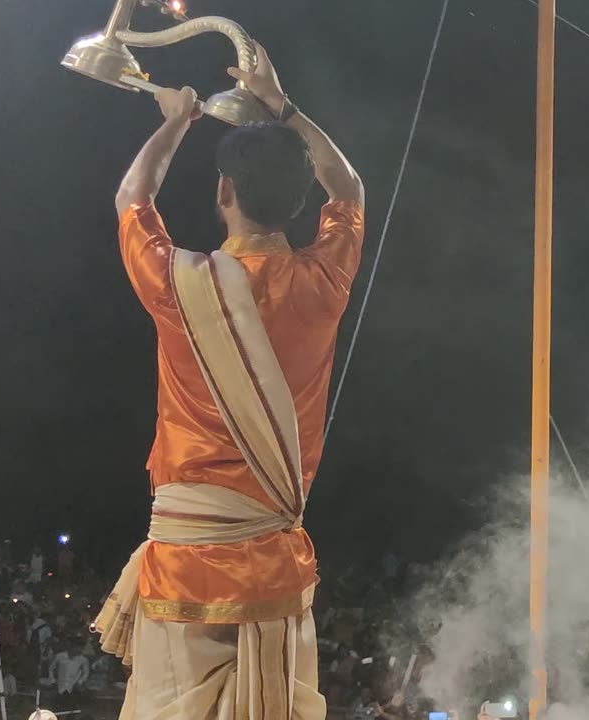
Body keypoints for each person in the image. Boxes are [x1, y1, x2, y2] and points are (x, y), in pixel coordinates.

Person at [91, 43, 365, 720]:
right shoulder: (323, 282)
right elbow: (350, 189)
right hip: (273, 567)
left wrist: (176, 119)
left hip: (186, 561)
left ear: (223, 192)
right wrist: (282, 108)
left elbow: (133, 197)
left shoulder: (181, 285)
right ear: (300, 203)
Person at [49, 638, 90, 713]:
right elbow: (51, 669)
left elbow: (86, 673)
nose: (79, 649)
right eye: (77, 647)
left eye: (80, 648)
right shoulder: (59, 656)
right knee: (57, 711)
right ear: (71, 646)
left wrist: (79, 682)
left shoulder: (83, 660)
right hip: (60, 687)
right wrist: (53, 681)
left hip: (73, 689)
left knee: (72, 712)